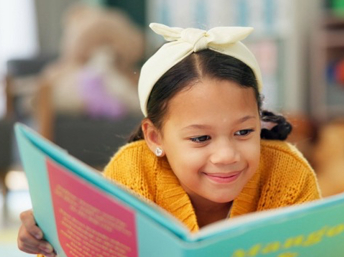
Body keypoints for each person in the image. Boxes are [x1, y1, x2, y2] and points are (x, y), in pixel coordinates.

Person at [17, 23, 321, 257]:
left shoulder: (288, 175)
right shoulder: (131, 173)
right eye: (201, 137)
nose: (227, 155)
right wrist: (52, 238)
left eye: (243, 132)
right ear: (155, 136)